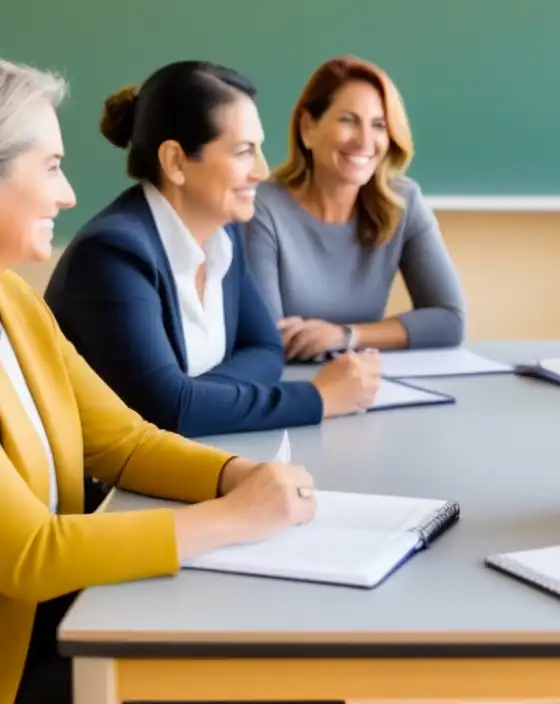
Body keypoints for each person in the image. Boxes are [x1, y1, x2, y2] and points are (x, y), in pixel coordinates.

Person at [0, 59, 319, 704]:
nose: (69, 196)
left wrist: (237, 474)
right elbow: (32, 554)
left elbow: (123, 442)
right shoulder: (107, 250)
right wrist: (233, 518)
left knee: (300, 673)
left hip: (63, 627)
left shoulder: (13, 300)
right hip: (25, 666)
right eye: (53, 166)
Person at [44, 61, 381, 438]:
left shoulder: (224, 234)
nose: (262, 170)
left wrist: (195, 397)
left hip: (198, 456)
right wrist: (318, 398)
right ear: (175, 162)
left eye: (259, 149)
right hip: (108, 491)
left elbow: (265, 348)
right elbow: (166, 411)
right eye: (243, 152)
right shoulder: (113, 255)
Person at [244, 55, 466, 361]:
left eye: (379, 125)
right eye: (348, 120)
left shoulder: (403, 203)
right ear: (308, 128)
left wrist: (346, 335)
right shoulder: (262, 209)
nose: (365, 141)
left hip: (364, 382)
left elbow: (449, 321)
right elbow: (268, 339)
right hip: (289, 389)